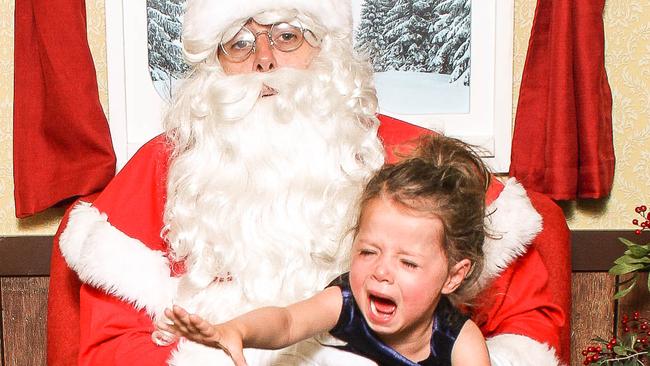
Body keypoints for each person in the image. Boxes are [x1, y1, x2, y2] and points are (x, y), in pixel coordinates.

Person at [52, 0, 569, 365]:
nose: (264, 59)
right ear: (213, 63)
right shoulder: (161, 169)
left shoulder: (416, 162)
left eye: (286, 35)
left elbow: (526, 319)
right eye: (238, 44)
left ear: (326, 49)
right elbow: (113, 341)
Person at [157, 135, 492, 366]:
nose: (381, 272)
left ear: (453, 276)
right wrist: (237, 330)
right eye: (368, 252)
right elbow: (286, 322)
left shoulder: (460, 341)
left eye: (407, 262)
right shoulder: (346, 302)